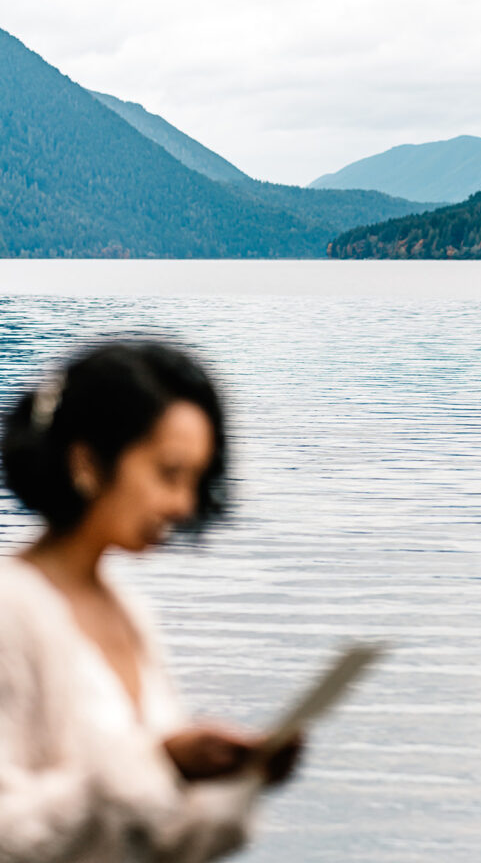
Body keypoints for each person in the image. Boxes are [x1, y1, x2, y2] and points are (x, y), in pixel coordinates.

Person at [0, 340, 301, 863]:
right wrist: (158, 764)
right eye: (168, 473)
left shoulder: (130, 614)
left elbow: (158, 838)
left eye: (195, 480)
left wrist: (234, 780)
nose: (184, 505)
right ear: (88, 462)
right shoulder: (11, 608)